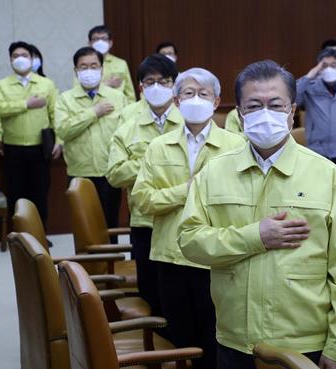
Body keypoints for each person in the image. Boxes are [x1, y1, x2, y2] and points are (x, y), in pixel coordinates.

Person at [177, 59, 336, 369]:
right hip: (235, 339)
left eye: (275, 105)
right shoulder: (214, 173)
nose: (265, 113)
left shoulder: (326, 175)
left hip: (305, 343)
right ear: (240, 114)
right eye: (254, 105)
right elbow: (189, 240)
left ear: (292, 112)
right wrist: (256, 236)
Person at [131, 67, 245, 368]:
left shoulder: (235, 146)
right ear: (176, 101)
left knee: (216, 337)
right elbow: (143, 201)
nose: (195, 100)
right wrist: (188, 190)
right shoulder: (158, 146)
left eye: (203, 94)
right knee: (181, 340)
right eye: (188, 93)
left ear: (217, 100)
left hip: (215, 258)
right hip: (170, 256)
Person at [106, 54, 181, 317]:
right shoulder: (128, 120)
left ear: (175, 84)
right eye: (151, 82)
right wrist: (151, 160)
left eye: (165, 81)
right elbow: (114, 174)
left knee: (182, 296)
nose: (158, 87)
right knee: (151, 294)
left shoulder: (189, 118)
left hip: (184, 221)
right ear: (141, 87)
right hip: (145, 221)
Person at [55, 46, 127, 234]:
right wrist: (93, 112)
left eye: (94, 66)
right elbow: (63, 131)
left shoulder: (118, 98)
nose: (89, 70)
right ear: (76, 70)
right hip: (80, 173)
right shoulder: (65, 99)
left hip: (110, 171)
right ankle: (84, 264)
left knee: (110, 225)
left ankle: (111, 264)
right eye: (83, 66)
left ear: (102, 69)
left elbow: (126, 134)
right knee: (83, 227)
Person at [0, 41, 60, 225]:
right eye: (15, 56)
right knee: (16, 193)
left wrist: (59, 141)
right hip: (13, 148)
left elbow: (56, 114)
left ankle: (40, 234)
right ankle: (20, 234)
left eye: (24, 55)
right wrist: (25, 105)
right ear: (10, 60)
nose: (20, 59)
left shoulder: (46, 84)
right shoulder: (2, 85)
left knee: (40, 193)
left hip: (40, 148)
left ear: (32, 58)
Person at [88, 25, 136, 103]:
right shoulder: (84, 65)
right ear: (90, 43)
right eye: (96, 39)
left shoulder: (121, 63)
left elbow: (130, 94)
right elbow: (80, 91)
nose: (100, 42)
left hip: (119, 110)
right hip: (94, 108)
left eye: (104, 39)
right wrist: (107, 84)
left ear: (110, 43)